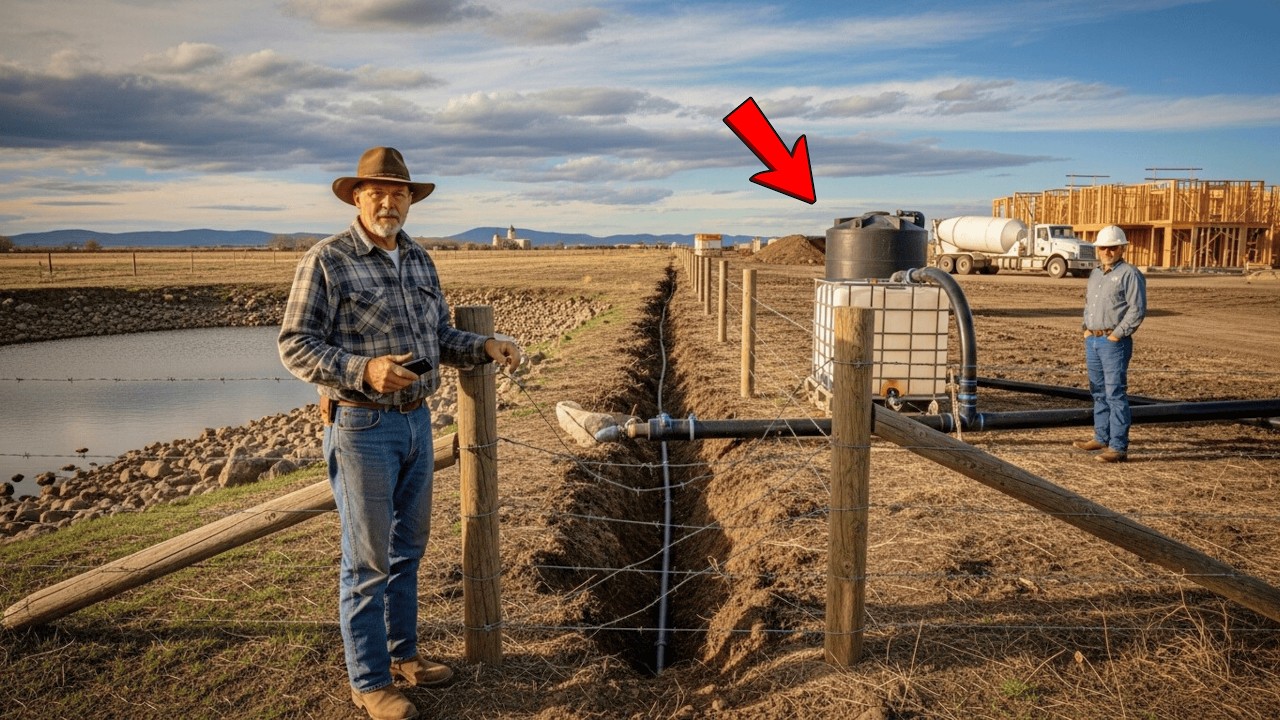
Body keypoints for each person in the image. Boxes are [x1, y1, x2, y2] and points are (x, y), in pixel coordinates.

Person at [279, 146, 521, 720]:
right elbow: (294, 345)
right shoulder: (327, 260)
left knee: (408, 551)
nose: (388, 202)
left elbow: (438, 336)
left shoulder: (418, 259)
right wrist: (364, 371)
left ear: (411, 200)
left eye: (399, 193)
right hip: (362, 425)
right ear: (356, 198)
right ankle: (368, 682)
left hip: (417, 420)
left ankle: (403, 655)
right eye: (377, 192)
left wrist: (484, 347)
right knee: (367, 561)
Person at [1073, 225, 1146, 463]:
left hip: (1113, 342)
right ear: (1097, 249)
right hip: (1093, 339)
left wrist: (1116, 335)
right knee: (1098, 392)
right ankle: (1101, 437)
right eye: (1103, 247)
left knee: (1115, 393)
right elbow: (1088, 305)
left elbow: (1136, 310)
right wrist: (1086, 330)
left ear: (1122, 248)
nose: (1107, 251)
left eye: (1113, 247)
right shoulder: (1095, 274)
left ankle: (1118, 447)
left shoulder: (1129, 274)